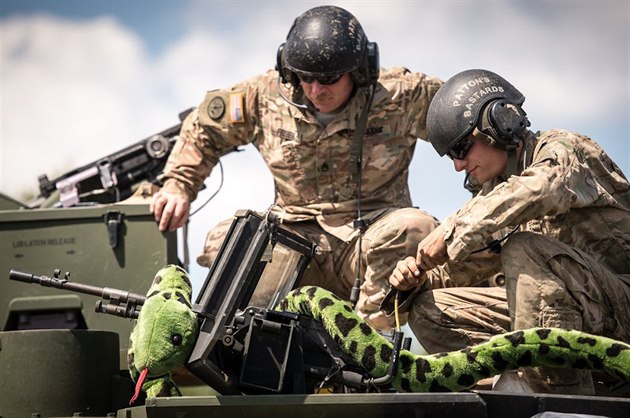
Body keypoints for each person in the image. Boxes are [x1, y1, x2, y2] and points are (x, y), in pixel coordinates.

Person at [150, 5, 443, 330]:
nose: (317, 90)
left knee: (414, 227)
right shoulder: (262, 97)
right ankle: (261, 348)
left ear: (359, 70)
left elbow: (469, 127)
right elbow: (204, 128)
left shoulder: (402, 94)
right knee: (228, 241)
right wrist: (179, 183)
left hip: (372, 241)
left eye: (329, 79)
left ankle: (366, 352)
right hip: (296, 243)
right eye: (306, 78)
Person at [388, 69, 630, 395]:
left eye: (461, 149)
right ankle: (508, 392)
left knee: (522, 249)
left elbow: (545, 188)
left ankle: (561, 407)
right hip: (569, 325)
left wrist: (451, 229)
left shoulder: (566, 150)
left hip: (621, 313)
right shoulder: (493, 198)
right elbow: (461, 269)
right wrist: (415, 279)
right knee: (429, 310)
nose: (458, 166)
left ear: (498, 123)